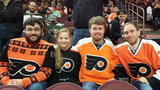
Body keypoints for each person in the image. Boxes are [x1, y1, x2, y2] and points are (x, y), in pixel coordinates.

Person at [0, 17, 55, 90]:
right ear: (24, 30)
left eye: (36, 29)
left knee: (36, 87)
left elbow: (46, 72)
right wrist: (6, 81)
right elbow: (2, 65)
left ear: (42, 30)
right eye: (29, 29)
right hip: (10, 79)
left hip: (34, 82)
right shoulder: (11, 43)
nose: (33, 33)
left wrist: (24, 82)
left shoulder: (48, 47)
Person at [75, 16, 118, 90]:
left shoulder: (109, 45)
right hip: (89, 80)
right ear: (89, 30)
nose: (97, 31)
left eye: (100, 28)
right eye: (94, 29)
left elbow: (115, 62)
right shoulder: (82, 43)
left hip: (107, 80)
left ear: (104, 30)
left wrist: (112, 77)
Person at [115, 22, 160, 90]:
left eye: (132, 31)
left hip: (156, 80)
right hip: (138, 82)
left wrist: (150, 80)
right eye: (126, 33)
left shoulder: (152, 45)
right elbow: (105, 50)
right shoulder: (121, 49)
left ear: (138, 32)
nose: (129, 35)